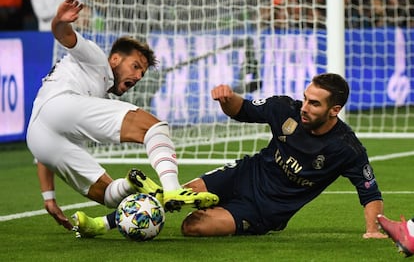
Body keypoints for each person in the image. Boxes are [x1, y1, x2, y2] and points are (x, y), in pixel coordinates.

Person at [75, 72, 388, 239]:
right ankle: (102, 224)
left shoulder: (346, 148)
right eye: (306, 98)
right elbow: (244, 110)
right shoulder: (285, 109)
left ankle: (205, 206)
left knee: (191, 227)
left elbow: (369, 191)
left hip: (266, 210)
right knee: (173, 195)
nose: (305, 107)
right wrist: (227, 99)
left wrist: (372, 229)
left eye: (315, 104)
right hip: (243, 174)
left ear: (335, 110)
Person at [26, 0, 218, 235]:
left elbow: (44, 147)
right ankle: (172, 188)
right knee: (154, 128)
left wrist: (48, 196)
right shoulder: (97, 60)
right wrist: (59, 20)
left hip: (37, 137)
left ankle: (132, 182)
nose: (138, 76)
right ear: (115, 59)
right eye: (135, 66)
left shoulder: (97, 97)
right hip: (60, 105)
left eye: (142, 73)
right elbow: (65, 35)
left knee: (108, 194)